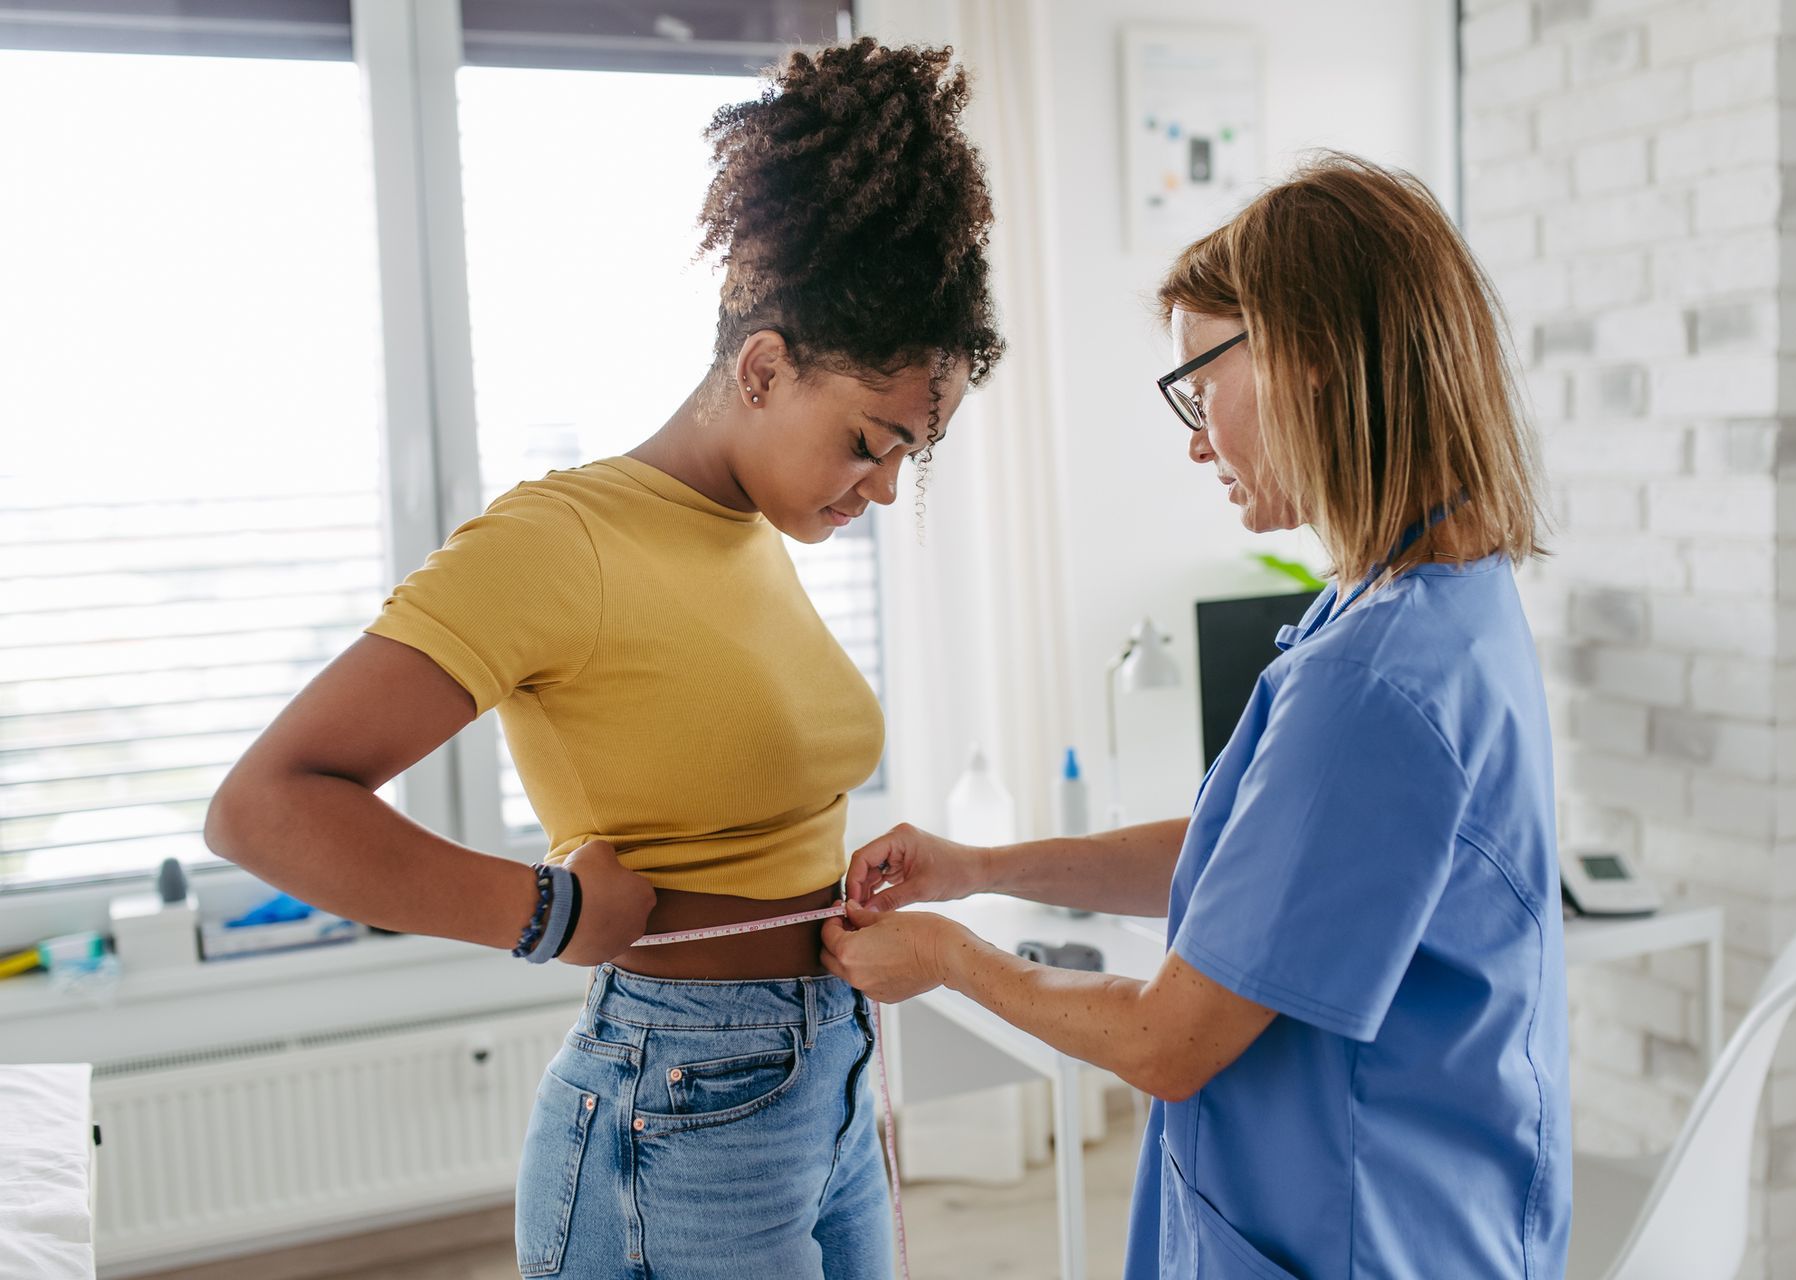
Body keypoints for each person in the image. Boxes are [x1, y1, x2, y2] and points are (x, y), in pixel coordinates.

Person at [206, 37, 1003, 1279]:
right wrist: (542, 912)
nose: (887, 489)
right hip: (683, 1098)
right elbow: (264, 806)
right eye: (869, 441)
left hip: (829, 1071)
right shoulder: (558, 539)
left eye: (912, 455)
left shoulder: (748, 530)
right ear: (761, 364)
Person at [822, 151, 1571, 1279]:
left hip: (1359, 1237)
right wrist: (979, 863)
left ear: (1311, 357)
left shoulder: (1374, 676)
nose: (1193, 436)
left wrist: (948, 956)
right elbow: (1261, 870)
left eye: (1199, 385)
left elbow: (1164, 1039)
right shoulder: (1438, 596)